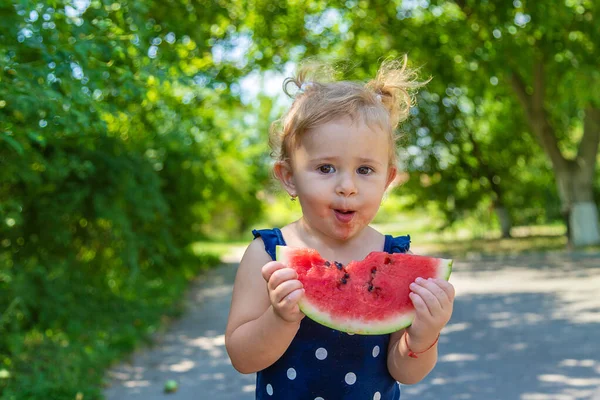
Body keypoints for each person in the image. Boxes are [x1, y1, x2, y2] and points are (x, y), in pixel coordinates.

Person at [225, 56, 456, 400]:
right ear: (289, 178)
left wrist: (424, 336)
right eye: (325, 168)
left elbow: (403, 371)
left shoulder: (396, 257)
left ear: (387, 180)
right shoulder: (266, 254)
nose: (347, 186)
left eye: (365, 170)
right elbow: (242, 358)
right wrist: (280, 318)